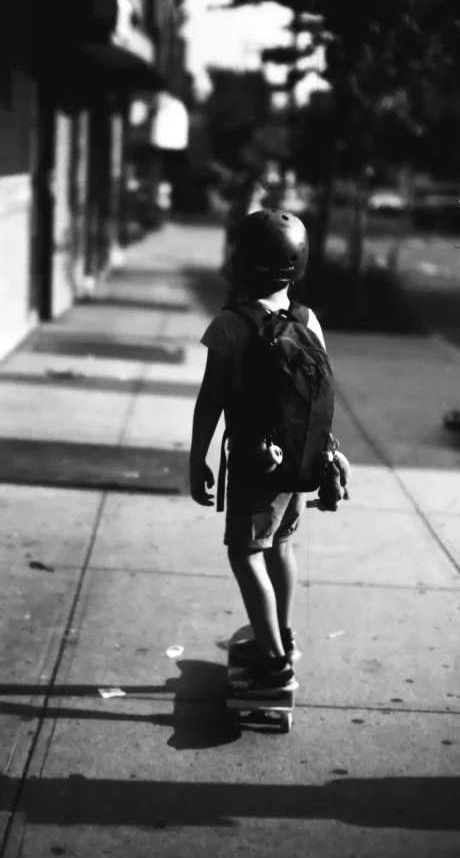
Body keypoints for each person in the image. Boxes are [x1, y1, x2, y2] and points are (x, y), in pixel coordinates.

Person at [190, 209, 329, 695]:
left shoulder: (230, 326)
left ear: (241, 264)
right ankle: (282, 637)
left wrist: (196, 461)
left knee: (245, 553)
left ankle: (274, 664)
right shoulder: (308, 320)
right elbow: (318, 397)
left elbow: (210, 402)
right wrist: (328, 455)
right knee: (282, 547)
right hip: (299, 464)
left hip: (255, 468)